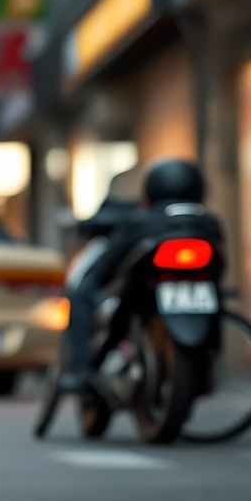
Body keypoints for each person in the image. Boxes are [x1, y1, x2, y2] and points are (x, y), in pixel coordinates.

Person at [60, 158, 223, 393]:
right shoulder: (210, 222)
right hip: (195, 323)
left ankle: (81, 371)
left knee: (80, 294)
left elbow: (106, 268)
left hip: (142, 302)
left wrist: (94, 285)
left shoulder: (140, 220)